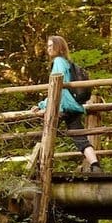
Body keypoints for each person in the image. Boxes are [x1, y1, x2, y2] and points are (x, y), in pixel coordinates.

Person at [35, 35, 102, 173]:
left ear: (58, 47)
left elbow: (56, 88)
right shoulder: (67, 63)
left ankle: (41, 169)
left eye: (50, 46)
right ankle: (95, 165)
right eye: (47, 46)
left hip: (61, 106)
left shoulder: (58, 61)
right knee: (80, 138)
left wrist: (43, 105)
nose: (48, 49)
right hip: (73, 107)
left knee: (45, 135)